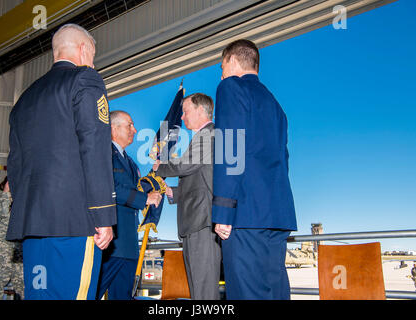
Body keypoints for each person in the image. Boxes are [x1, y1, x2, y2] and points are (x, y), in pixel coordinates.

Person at [6, 24, 116, 300]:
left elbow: (15, 165)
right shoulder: (85, 79)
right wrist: (103, 216)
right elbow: (95, 148)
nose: (93, 61)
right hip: (75, 222)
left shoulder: (25, 99)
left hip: (33, 227)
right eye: (92, 54)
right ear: (83, 49)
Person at [212, 39, 297, 300]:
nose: (221, 72)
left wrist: (223, 209)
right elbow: (283, 158)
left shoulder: (231, 87)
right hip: (276, 215)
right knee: (275, 293)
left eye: (222, 66)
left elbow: (230, 148)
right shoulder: (276, 106)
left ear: (233, 61)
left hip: (246, 215)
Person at [154, 93, 221, 300]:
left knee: (204, 290)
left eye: (185, 111)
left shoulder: (210, 134)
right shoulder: (202, 137)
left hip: (202, 221)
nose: (181, 118)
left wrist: (160, 167)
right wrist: (172, 191)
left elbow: (184, 165)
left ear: (200, 110)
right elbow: (198, 179)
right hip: (194, 222)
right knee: (197, 288)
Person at [96, 110, 162, 300]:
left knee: (123, 296)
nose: (135, 129)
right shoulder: (102, 154)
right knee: (93, 292)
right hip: (110, 242)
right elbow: (107, 188)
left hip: (128, 244)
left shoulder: (130, 162)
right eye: (129, 125)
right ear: (113, 128)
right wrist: (144, 199)